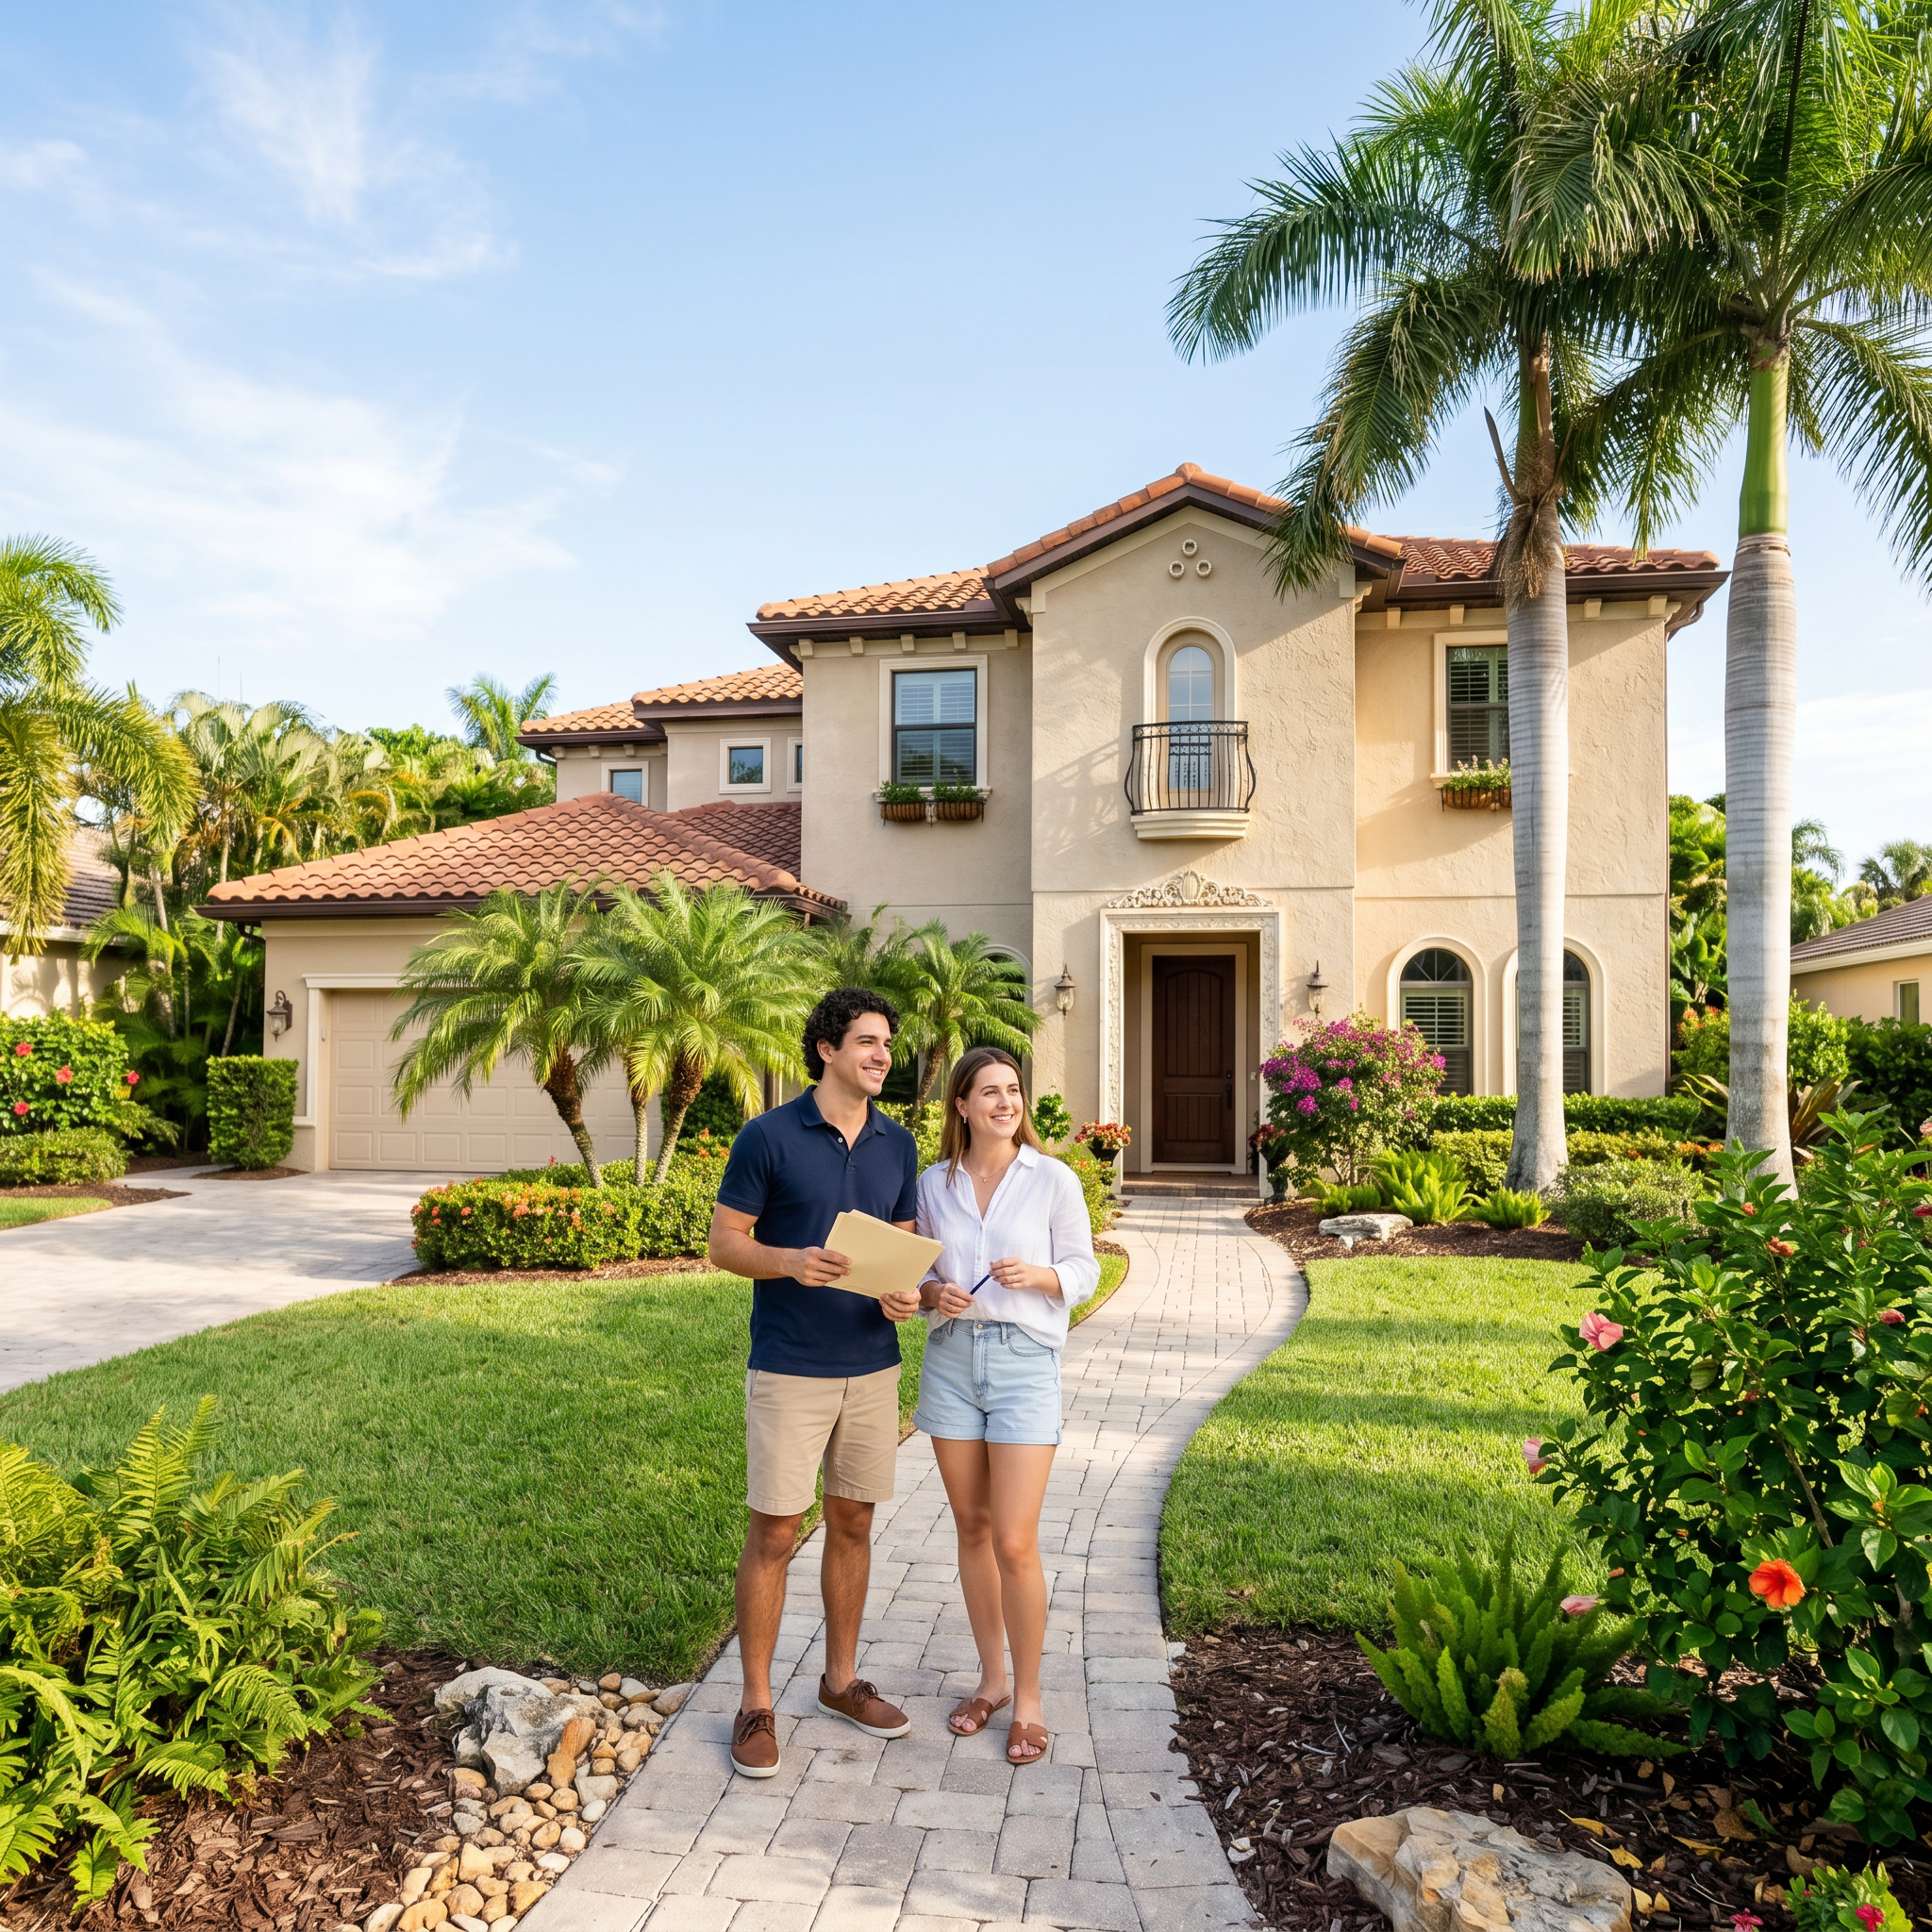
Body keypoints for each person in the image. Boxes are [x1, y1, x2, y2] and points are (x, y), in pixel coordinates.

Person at [708, 987, 925, 1779]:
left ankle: (839, 1681)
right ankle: (755, 1702)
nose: (881, 1056)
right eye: (867, 1042)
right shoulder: (768, 1136)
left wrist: (902, 1296)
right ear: (827, 1049)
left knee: (856, 1523)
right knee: (774, 1530)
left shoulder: (897, 1144)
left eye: (888, 1046)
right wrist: (791, 1262)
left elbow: (897, 1251)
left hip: (871, 1366)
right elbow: (724, 1244)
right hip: (790, 1366)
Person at [913, 1044, 1099, 1765]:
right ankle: (990, 1681)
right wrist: (934, 1292)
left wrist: (1041, 1275)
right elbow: (920, 1270)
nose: (1005, 1103)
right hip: (953, 1361)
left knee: (1015, 1541)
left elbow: (1084, 1269)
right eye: (989, 1092)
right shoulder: (935, 1183)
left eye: (1013, 1090)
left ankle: (1028, 1700)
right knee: (972, 1527)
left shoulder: (1050, 1179)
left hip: (1024, 1365)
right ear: (961, 1105)